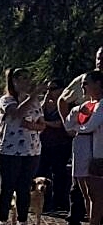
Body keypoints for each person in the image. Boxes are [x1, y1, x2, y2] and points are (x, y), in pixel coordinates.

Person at [0, 66, 45, 225]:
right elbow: (17, 114)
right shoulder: (6, 100)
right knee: (7, 186)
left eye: (26, 78)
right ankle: (2, 222)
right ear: (12, 81)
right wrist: (33, 96)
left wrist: (33, 126)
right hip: (9, 150)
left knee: (24, 187)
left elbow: (42, 124)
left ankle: (22, 223)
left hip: (31, 150)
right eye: (20, 78)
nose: (24, 81)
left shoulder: (35, 102)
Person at [58, 47, 103, 225]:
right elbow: (67, 108)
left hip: (97, 147)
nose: (101, 61)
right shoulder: (86, 101)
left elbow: (93, 124)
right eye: (99, 57)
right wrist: (72, 126)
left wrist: (77, 127)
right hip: (82, 147)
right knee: (83, 189)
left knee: (96, 191)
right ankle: (84, 224)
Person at [37, 81, 72, 217]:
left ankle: (58, 201)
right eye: (48, 89)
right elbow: (37, 115)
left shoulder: (65, 105)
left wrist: (45, 123)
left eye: (53, 89)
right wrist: (45, 101)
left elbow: (61, 124)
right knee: (41, 172)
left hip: (60, 144)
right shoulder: (45, 104)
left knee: (59, 173)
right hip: (44, 144)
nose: (50, 91)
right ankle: (42, 201)